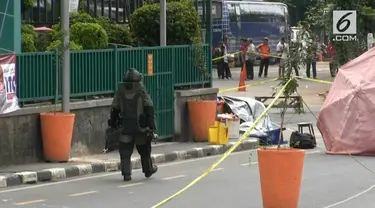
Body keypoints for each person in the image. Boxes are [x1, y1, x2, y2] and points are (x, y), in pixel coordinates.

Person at [109, 68, 158, 181]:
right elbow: (149, 107)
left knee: (125, 152)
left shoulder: (120, 92)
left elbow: (114, 109)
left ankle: (127, 174)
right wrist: (152, 126)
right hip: (141, 127)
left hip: (125, 126)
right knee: (144, 150)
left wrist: (113, 122)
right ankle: (148, 170)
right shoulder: (142, 91)